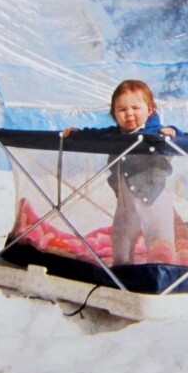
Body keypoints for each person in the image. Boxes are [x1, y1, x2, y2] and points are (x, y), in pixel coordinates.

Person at [62, 80, 181, 266]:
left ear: (150, 110)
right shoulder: (115, 135)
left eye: (136, 107)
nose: (129, 114)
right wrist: (78, 134)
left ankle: (162, 272)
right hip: (126, 204)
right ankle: (122, 270)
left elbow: (179, 135)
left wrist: (171, 131)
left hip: (155, 200)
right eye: (122, 110)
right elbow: (96, 135)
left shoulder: (156, 133)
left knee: (160, 241)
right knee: (120, 239)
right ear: (114, 114)